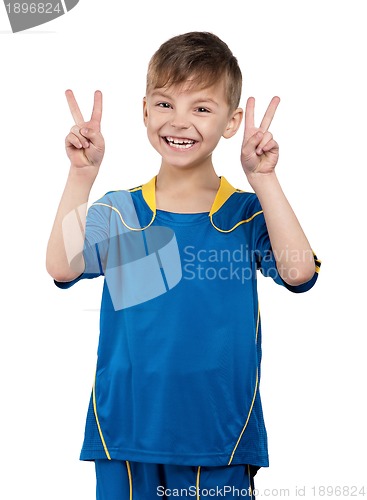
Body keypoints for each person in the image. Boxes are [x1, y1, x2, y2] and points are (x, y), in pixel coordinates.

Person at [46, 31, 321, 500]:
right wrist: (81, 177)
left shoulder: (247, 213)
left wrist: (265, 179)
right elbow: (61, 266)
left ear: (232, 122)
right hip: (126, 434)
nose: (179, 121)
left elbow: (299, 272)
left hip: (219, 438)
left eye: (201, 107)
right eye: (165, 103)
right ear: (145, 111)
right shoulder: (120, 211)